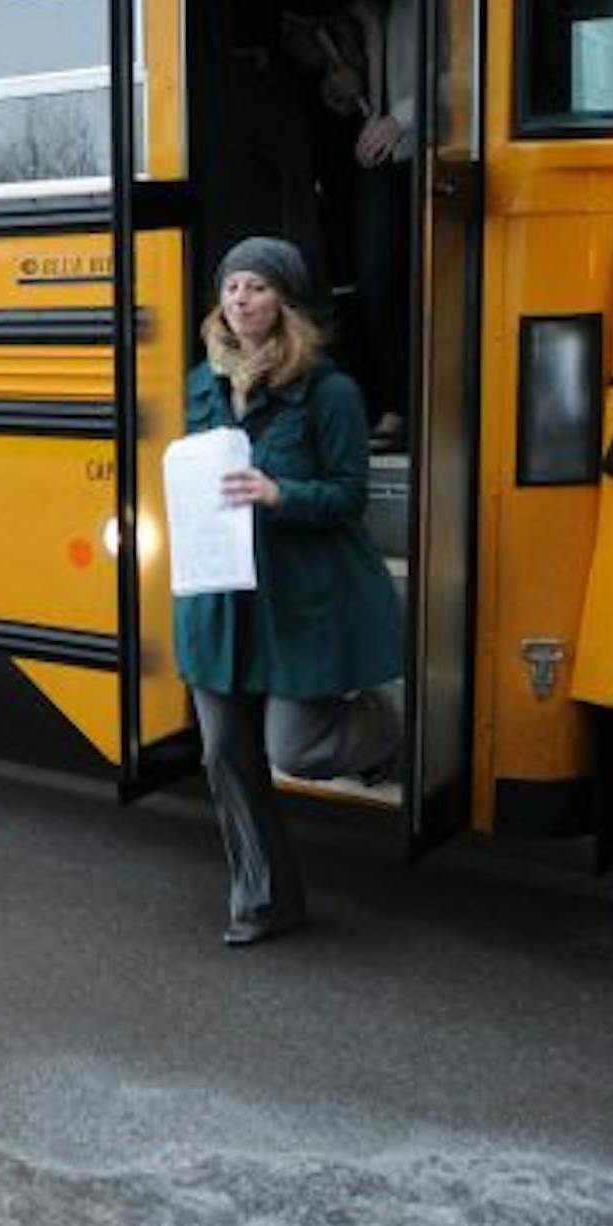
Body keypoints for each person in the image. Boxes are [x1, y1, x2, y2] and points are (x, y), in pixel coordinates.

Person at [175, 239, 404, 947]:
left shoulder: (330, 391)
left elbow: (348, 496)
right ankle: (265, 897)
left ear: (287, 304)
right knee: (222, 751)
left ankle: (388, 726)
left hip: (299, 598)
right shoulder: (202, 383)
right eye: (233, 286)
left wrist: (279, 493)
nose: (240, 299)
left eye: (258, 287)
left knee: (296, 749)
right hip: (220, 596)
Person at [339, 0, 416, 451]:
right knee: (373, 282)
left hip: (424, 151)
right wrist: (342, 89)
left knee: (408, 280)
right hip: (377, 155)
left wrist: (402, 119)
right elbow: (365, 81)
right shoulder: (370, 0)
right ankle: (390, 403)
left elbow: (462, 66)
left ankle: (409, 405)